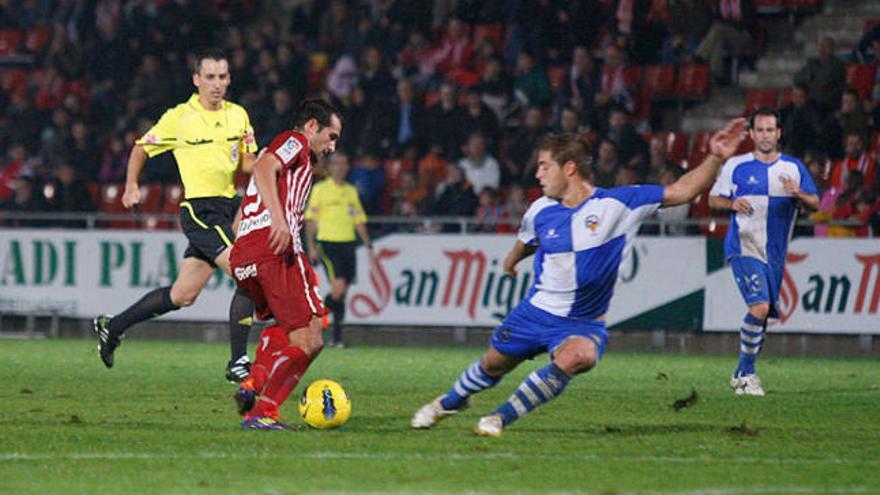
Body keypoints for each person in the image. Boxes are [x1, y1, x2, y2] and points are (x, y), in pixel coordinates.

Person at [411, 118, 750, 437]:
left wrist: (715, 158)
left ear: (569, 168)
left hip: (583, 322)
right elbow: (527, 240)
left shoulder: (619, 204)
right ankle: (450, 402)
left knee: (579, 357)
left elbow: (681, 191)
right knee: (492, 366)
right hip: (535, 312)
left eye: (545, 166)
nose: (538, 173)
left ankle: (500, 417)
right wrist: (511, 261)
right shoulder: (540, 209)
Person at [93, 49, 259, 382]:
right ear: (196, 80)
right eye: (210, 77)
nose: (217, 84)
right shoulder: (179, 117)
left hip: (229, 208)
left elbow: (247, 164)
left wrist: (269, 160)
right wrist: (130, 186)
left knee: (182, 295)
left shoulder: (238, 115)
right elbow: (141, 148)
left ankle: (113, 327)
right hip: (200, 210)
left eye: (222, 77)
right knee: (249, 274)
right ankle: (238, 361)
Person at [230, 98, 343, 430]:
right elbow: (264, 167)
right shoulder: (295, 142)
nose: (333, 146)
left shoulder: (290, 159)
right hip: (274, 249)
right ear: (311, 127)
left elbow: (240, 219)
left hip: (246, 254)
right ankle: (262, 412)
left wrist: (254, 228)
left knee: (284, 327)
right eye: (332, 136)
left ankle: (253, 384)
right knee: (311, 340)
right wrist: (279, 222)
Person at [708, 108, 820, 396]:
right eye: (760, 130)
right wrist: (732, 204)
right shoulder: (736, 165)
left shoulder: (793, 168)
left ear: (778, 133)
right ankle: (747, 373)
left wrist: (798, 194)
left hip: (775, 254)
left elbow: (815, 204)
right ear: (752, 134)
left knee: (764, 315)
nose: (766, 135)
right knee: (758, 308)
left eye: (770, 130)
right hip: (744, 246)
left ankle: (740, 372)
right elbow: (714, 199)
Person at [305, 151, 375, 348]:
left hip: (348, 244)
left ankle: (337, 337)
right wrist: (311, 246)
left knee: (343, 293)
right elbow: (310, 220)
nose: (341, 167)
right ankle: (315, 324)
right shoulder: (320, 190)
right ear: (330, 167)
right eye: (337, 163)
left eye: (344, 164)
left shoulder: (351, 191)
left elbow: (359, 220)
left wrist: (368, 244)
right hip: (328, 243)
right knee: (338, 288)